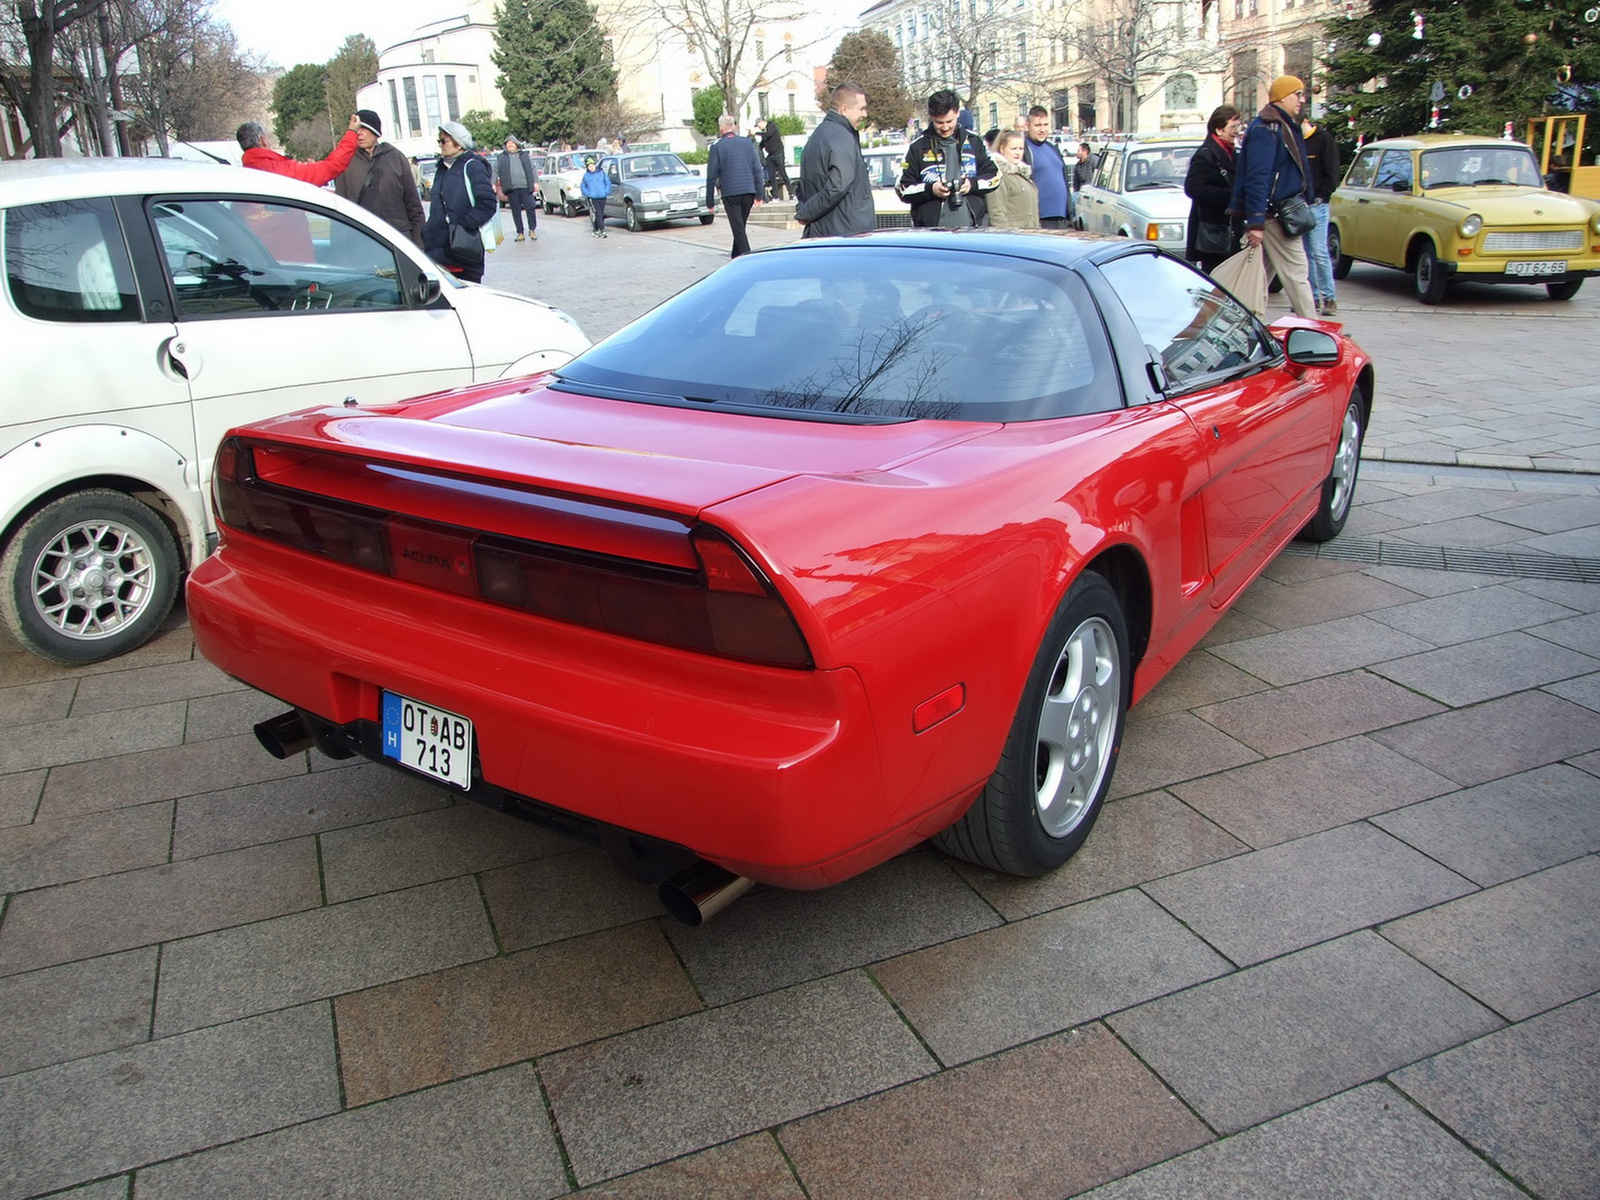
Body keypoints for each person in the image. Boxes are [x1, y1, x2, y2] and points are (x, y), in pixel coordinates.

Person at [1231, 75, 1317, 319]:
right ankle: (1315, 332)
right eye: (1297, 94)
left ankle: (1241, 325)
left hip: (1277, 213)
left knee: (1258, 277)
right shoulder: (1267, 128)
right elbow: (1258, 177)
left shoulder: (1284, 125)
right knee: (1296, 272)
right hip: (1275, 215)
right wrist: (1256, 221)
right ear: (1282, 97)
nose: (1302, 100)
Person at [897, 89, 999, 228]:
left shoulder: (974, 141)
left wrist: (972, 184)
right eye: (939, 122)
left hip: (972, 228)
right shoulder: (917, 147)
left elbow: (995, 176)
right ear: (931, 117)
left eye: (949, 121)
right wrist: (931, 189)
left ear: (958, 113)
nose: (945, 127)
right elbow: (902, 188)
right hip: (931, 232)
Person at [333, 110, 424, 247]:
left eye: (363, 128)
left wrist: (419, 244)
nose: (359, 133)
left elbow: (413, 204)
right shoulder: (346, 161)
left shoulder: (396, 158)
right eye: (356, 129)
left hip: (398, 238)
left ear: (375, 132)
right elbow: (339, 208)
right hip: (361, 240)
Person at [795, 83, 875, 238]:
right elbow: (838, 185)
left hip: (826, 230)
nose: (865, 114)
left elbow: (803, 186)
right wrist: (805, 213)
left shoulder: (818, 135)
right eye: (861, 109)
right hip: (846, 234)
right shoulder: (840, 137)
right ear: (844, 109)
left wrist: (805, 209)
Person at [423, 121, 496, 284]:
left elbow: (488, 204)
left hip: (463, 252)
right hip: (438, 253)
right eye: (439, 141)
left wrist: (463, 226)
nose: (440, 145)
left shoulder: (473, 166)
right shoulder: (442, 169)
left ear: (458, 144)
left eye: (444, 141)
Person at [1184, 104, 1243, 274]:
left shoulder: (1233, 153)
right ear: (1218, 130)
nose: (1237, 131)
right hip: (1213, 231)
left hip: (1230, 228)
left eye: (1238, 126)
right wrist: (1230, 196)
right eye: (1233, 126)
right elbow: (1193, 188)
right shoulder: (1206, 155)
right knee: (1217, 278)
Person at [705, 114, 765, 257]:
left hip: (731, 193)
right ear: (733, 126)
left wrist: (710, 202)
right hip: (748, 192)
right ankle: (735, 257)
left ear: (721, 128)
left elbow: (711, 176)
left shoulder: (717, 147)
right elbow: (757, 169)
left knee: (738, 229)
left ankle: (747, 259)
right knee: (740, 228)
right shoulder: (747, 143)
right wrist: (759, 194)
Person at [237, 115, 358, 185]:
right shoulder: (279, 170)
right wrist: (352, 133)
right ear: (262, 140)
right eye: (268, 138)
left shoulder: (243, 176)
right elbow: (332, 167)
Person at [1301, 116, 1341, 315]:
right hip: (1300, 205)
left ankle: (1329, 297)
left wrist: (1322, 195)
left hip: (1317, 204)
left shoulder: (1323, 139)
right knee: (1306, 253)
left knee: (1319, 251)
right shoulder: (1297, 143)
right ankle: (1314, 297)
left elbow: (1332, 171)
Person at [1022, 105, 1072, 228]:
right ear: (1027, 126)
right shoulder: (1023, 149)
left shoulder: (1052, 148)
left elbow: (1064, 182)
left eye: (1045, 125)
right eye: (1038, 125)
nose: (1042, 129)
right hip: (1040, 220)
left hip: (1062, 218)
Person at [986, 130, 1039, 230]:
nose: (1018, 152)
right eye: (1013, 149)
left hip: (1030, 235)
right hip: (1013, 238)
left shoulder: (1022, 174)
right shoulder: (998, 175)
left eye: (1021, 148)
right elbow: (996, 213)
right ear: (1002, 149)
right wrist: (1007, 237)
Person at [493, 135, 540, 242]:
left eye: (512, 143)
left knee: (530, 208)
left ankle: (532, 229)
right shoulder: (501, 157)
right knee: (516, 211)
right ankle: (520, 232)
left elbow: (533, 168)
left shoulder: (524, 156)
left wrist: (535, 182)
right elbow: (494, 170)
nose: (510, 145)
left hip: (526, 186)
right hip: (511, 188)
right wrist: (493, 183)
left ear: (516, 145)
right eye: (508, 143)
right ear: (505, 146)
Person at [755, 118, 791, 201]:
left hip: (778, 152)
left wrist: (756, 133)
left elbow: (768, 134)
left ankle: (791, 192)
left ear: (762, 122)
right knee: (771, 175)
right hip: (770, 155)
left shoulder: (771, 126)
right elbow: (762, 144)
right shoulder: (764, 133)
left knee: (782, 172)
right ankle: (775, 195)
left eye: (758, 125)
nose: (759, 127)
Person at [580, 155, 611, 237]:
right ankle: (602, 230)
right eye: (589, 166)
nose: (591, 167)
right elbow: (583, 186)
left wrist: (606, 191)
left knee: (601, 213)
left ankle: (595, 229)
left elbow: (607, 182)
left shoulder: (601, 173)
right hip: (593, 198)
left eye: (592, 165)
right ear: (587, 167)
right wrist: (588, 194)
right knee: (598, 213)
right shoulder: (586, 176)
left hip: (602, 196)